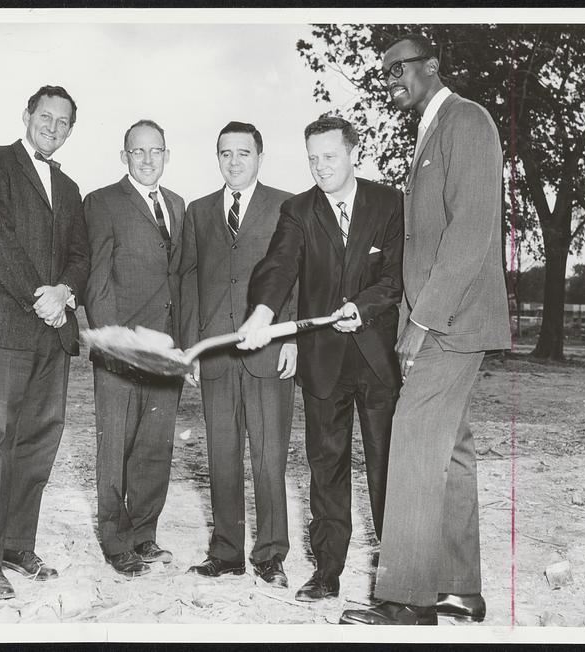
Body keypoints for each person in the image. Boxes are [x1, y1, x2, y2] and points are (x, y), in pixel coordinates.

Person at [340, 34, 510, 626]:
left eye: (401, 68)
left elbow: (469, 234)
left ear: (432, 66)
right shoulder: (431, 131)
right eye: (385, 74)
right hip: (445, 318)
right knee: (451, 453)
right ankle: (460, 590)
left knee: (411, 439)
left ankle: (405, 600)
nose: (392, 81)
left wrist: (421, 320)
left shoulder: (467, 121)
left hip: (451, 321)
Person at [238, 116, 403, 602]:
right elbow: (279, 266)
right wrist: (263, 311)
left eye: (329, 157)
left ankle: (396, 577)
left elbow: (395, 276)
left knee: (386, 468)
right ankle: (327, 573)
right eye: (312, 158)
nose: (320, 167)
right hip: (323, 364)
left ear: (355, 153)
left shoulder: (390, 203)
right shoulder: (299, 210)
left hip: (377, 360)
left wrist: (364, 308)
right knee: (326, 467)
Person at [0, 85, 89, 600]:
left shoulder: (72, 187)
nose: (52, 127)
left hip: (52, 331)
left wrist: (64, 292)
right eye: (46, 116)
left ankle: (18, 544)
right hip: (2, 325)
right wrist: (39, 297)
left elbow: (81, 255)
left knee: (38, 441)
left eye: (63, 122)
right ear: (27, 115)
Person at [179, 122, 296, 587]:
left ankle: (271, 555)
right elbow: (189, 279)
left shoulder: (287, 206)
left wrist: (293, 340)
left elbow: (299, 277)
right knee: (222, 457)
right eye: (225, 153)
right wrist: (192, 346)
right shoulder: (199, 210)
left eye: (243, 153)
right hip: (217, 355)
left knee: (269, 459)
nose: (233, 161)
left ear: (259, 157)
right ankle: (226, 553)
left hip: (269, 352)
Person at [83, 119, 185, 578]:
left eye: (155, 151)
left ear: (167, 154)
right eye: (137, 151)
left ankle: (144, 534)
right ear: (124, 156)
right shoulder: (102, 202)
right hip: (121, 349)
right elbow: (97, 280)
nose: (147, 160)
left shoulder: (179, 206)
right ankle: (116, 540)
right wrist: (114, 341)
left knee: (153, 448)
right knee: (116, 449)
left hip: (165, 350)